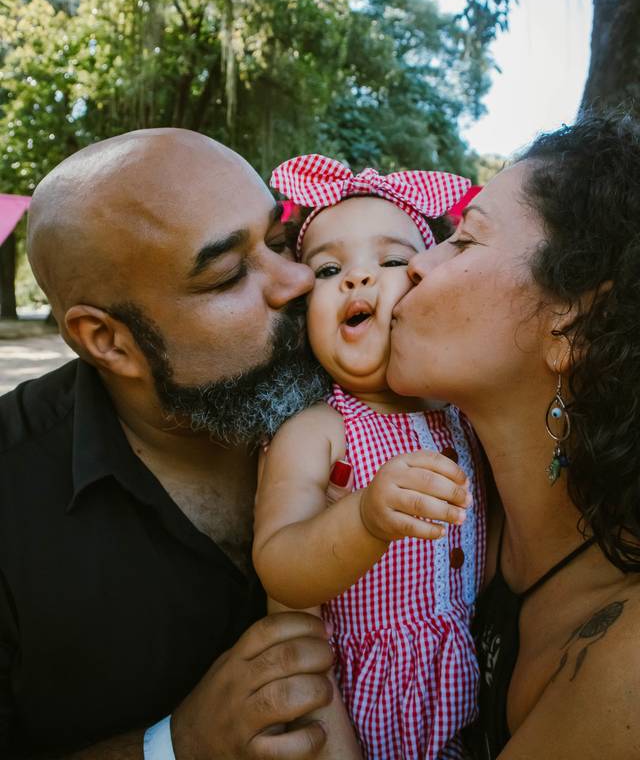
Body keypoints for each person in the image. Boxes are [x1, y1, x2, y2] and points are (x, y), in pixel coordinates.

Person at [0, 129, 352, 759]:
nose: (297, 279)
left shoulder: (377, 399)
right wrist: (175, 746)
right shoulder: (12, 489)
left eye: (277, 240)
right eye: (226, 275)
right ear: (107, 341)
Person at [386, 111, 640, 759]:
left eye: (464, 241)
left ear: (573, 327)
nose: (416, 266)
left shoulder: (624, 672)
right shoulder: (440, 505)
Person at [253, 154, 486, 760]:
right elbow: (280, 567)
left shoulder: (462, 413)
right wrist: (363, 519)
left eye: (390, 261)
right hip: (363, 715)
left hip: (468, 699)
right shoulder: (318, 432)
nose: (358, 279)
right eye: (329, 269)